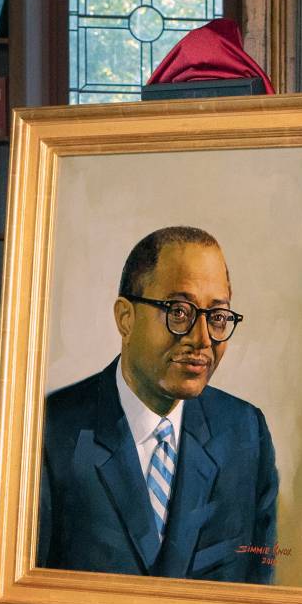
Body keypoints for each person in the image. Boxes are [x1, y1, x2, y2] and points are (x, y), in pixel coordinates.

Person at [37, 225, 278, 584]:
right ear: (125, 318)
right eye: (179, 312)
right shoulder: (51, 430)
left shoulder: (245, 432)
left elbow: (260, 589)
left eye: (217, 317)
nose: (202, 340)